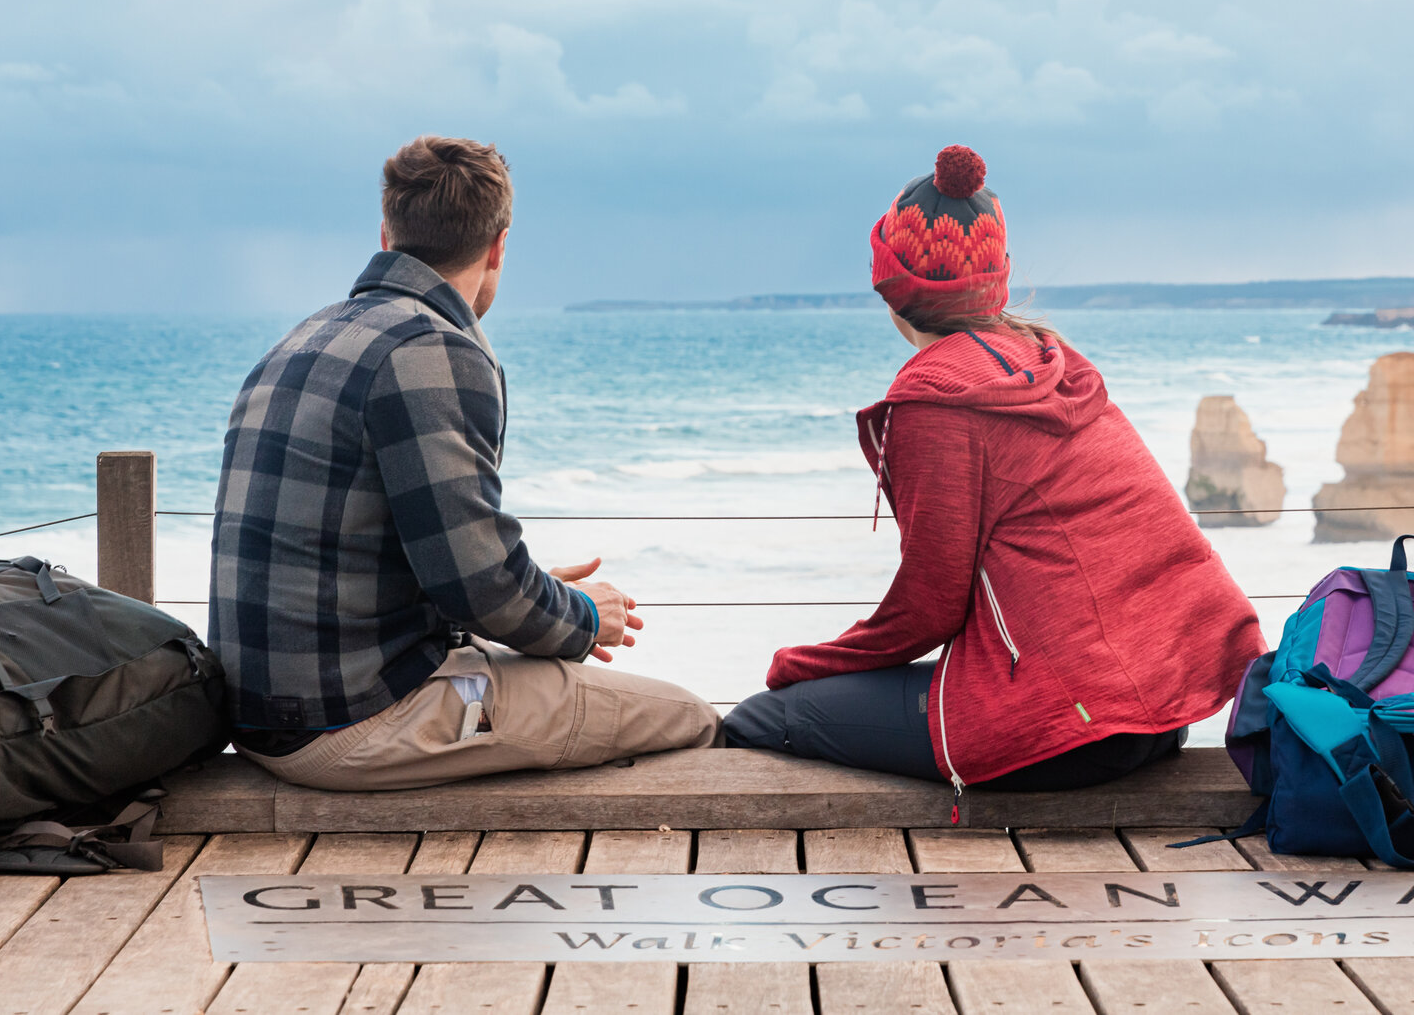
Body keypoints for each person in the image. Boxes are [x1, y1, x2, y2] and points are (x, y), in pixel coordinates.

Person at [723, 145, 1264, 793]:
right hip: (1162, 709)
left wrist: (805, 662)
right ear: (995, 275)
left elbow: (929, 607)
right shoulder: (1051, 360)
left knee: (762, 718)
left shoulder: (936, 398)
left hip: (1067, 731)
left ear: (889, 286)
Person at [208, 134, 717, 789]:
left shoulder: (303, 337)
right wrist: (584, 616)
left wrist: (525, 596)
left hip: (254, 720)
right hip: (355, 724)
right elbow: (482, 588)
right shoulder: (432, 350)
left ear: (387, 233)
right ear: (499, 244)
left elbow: (404, 564)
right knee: (690, 718)